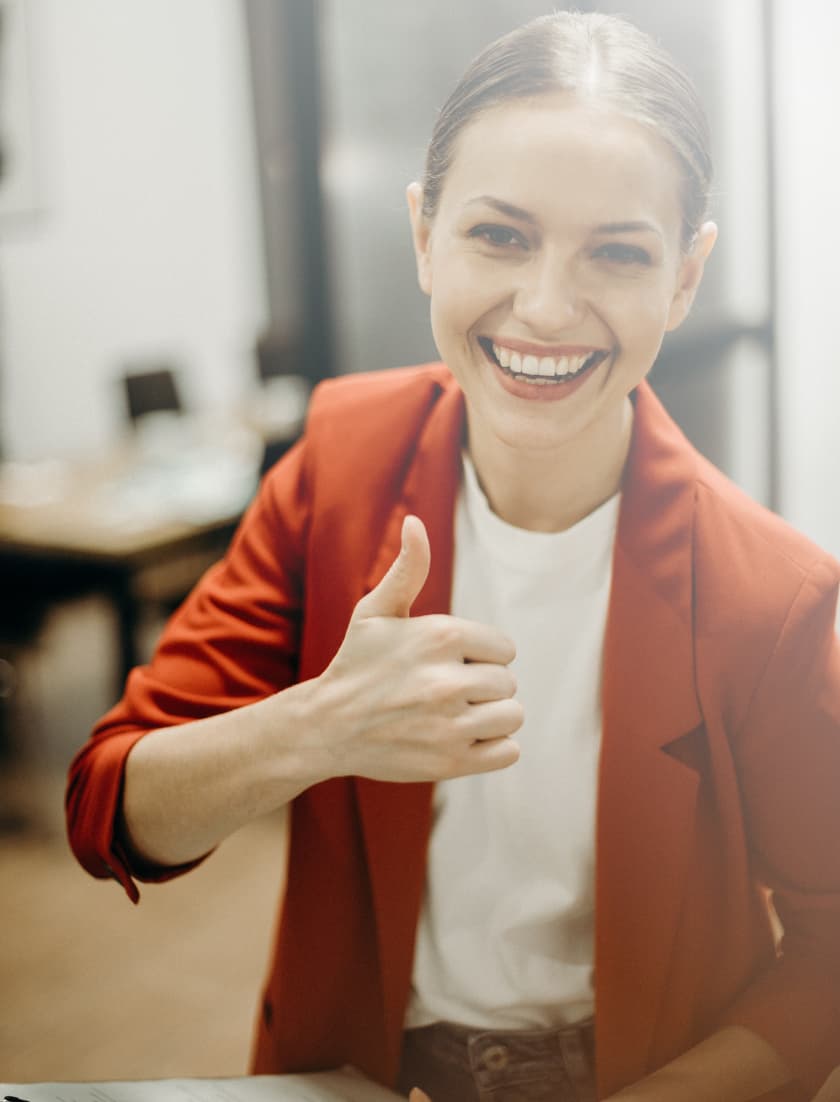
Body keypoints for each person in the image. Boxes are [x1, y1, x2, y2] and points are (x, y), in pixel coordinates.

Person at [66, 11, 840, 1102]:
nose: (545, 308)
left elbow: (827, 954)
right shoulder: (338, 465)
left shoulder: (769, 593)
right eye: (500, 235)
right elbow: (110, 808)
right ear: (426, 233)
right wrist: (316, 726)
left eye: (617, 252)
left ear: (684, 276)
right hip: (356, 1072)